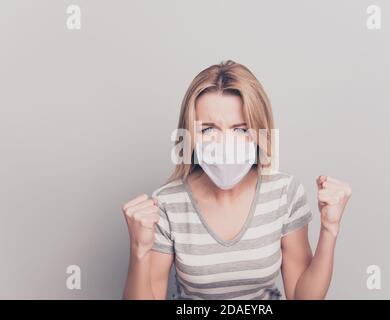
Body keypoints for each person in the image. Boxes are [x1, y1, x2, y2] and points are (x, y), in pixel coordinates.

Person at [122, 60, 352, 300]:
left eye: (241, 129)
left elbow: (302, 298)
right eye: (208, 129)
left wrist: (329, 230)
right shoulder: (166, 204)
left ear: (259, 132)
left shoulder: (284, 193)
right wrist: (139, 250)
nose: (225, 144)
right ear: (189, 135)